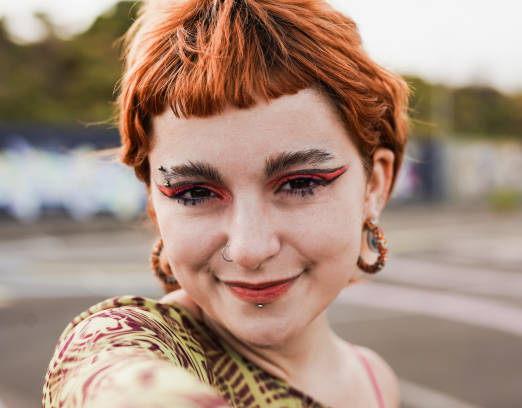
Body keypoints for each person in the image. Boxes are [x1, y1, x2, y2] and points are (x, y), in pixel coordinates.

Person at [43, 0, 409, 406]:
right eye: (194, 192)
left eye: (301, 183)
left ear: (374, 185)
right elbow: (106, 377)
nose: (249, 249)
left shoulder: (376, 381)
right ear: (152, 200)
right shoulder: (130, 343)